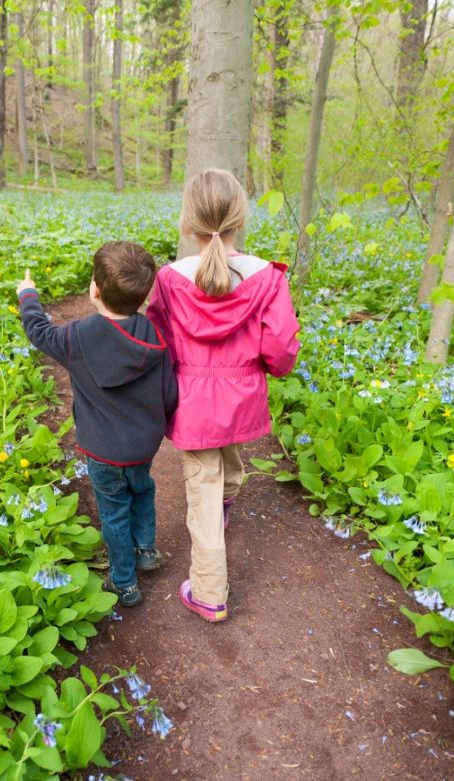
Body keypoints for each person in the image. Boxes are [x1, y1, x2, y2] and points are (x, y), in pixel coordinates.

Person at [146, 169, 300, 622]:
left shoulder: (170, 280)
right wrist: (268, 368)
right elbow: (281, 347)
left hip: (194, 403)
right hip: (241, 395)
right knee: (228, 453)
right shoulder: (267, 277)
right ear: (241, 219)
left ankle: (210, 594)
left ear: (187, 223)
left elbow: (158, 343)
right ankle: (228, 499)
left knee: (203, 492)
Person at [17, 241, 178, 608]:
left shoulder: (78, 337)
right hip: (142, 445)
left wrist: (28, 295)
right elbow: (169, 393)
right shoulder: (153, 335)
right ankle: (145, 548)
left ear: (95, 289)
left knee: (113, 511)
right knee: (142, 490)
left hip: (103, 452)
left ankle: (124, 582)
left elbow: (39, 333)